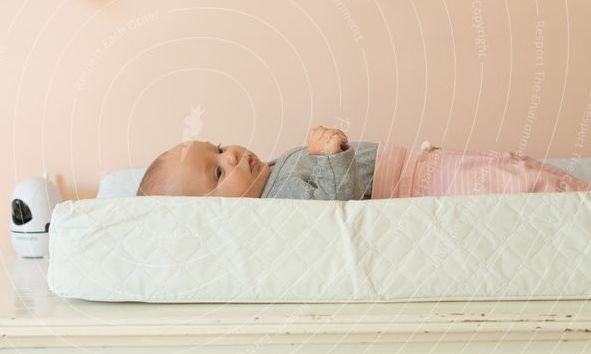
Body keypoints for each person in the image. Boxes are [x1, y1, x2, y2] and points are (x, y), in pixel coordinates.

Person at [136, 126, 591, 199]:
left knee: (517, 167)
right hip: (425, 185)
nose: (230, 154)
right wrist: (327, 157)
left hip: (428, 164)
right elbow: (337, 206)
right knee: (520, 185)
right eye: (217, 171)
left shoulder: (271, 174)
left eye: (218, 146)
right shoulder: (277, 203)